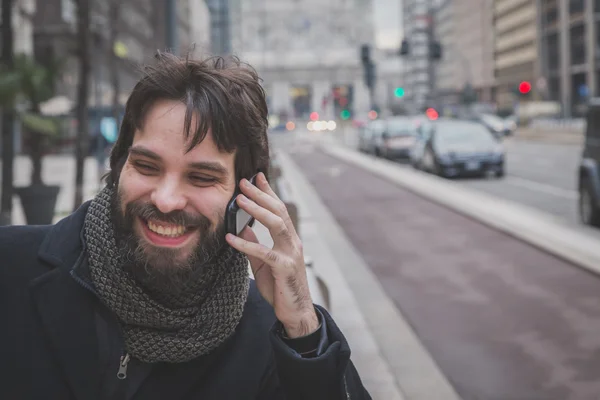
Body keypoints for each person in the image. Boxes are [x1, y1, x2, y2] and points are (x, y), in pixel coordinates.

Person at [0, 52, 371, 400]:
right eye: (147, 167)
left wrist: (304, 329)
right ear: (118, 168)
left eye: (201, 177)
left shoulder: (272, 335)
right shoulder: (10, 267)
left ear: (246, 201)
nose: (165, 199)